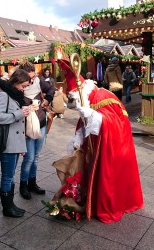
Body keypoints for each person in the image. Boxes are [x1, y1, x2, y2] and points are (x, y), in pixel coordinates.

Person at [48, 58, 143, 223]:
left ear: (82, 91)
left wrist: (92, 115)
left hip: (112, 147)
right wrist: (78, 137)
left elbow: (118, 122)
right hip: (94, 144)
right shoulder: (87, 99)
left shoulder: (103, 96)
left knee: (108, 177)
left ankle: (107, 205)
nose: (76, 103)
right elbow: (83, 122)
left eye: (76, 99)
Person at [0, 69, 31, 218]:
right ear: (16, 81)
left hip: (15, 143)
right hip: (7, 143)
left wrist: (22, 145)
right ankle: (7, 208)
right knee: (7, 176)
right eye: (23, 86)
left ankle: (11, 204)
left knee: (11, 175)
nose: (24, 89)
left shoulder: (15, 96)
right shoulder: (3, 95)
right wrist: (19, 114)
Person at [18, 62, 55, 200]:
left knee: (36, 157)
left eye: (33, 77)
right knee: (29, 158)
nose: (32, 81)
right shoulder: (18, 88)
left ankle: (32, 183)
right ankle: (23, 185)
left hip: (41, 123)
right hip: (27, 127)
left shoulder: (38, 81)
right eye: (29, 78)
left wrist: (47, 101)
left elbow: (51, 89)